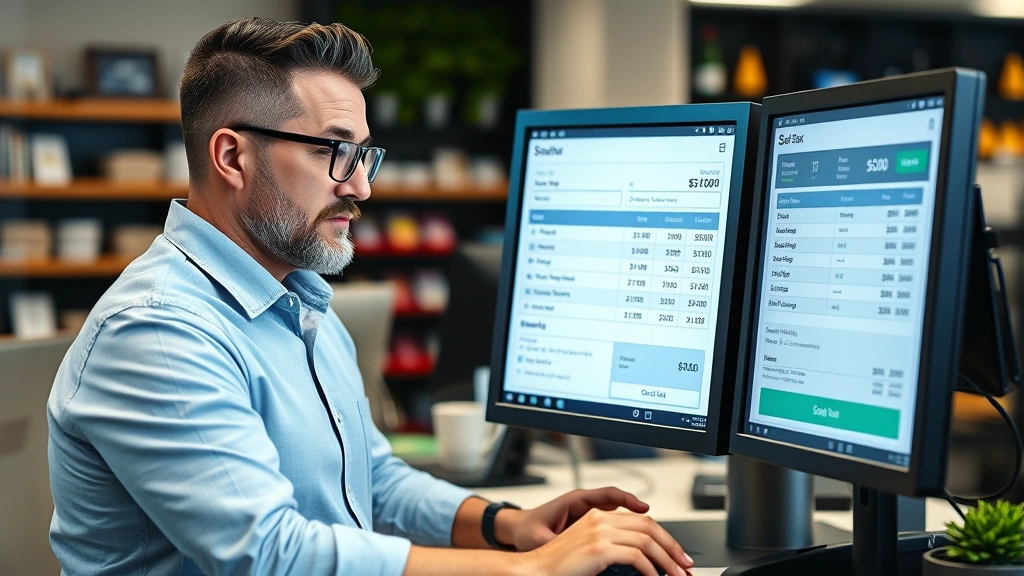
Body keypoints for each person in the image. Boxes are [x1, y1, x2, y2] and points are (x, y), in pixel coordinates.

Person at [46, 17, 693, 576]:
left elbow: (373, 484)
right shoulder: (159, 331)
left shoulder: (299, 299)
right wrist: (532, 567)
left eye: (364, 156)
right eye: (335, 152)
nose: (361, 187)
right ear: (233, 157)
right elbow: (271, 555)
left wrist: (509, 526)